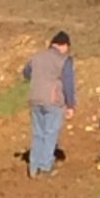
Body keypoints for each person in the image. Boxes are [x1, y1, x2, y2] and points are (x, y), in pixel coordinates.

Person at [22, 31, 76, 178]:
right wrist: (71, 105)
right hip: (52, 101)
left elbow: (26, 72)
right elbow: (68, 83)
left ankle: (33, 167)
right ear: (63, 45)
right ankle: (45, 167)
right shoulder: (64, 60)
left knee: (37, 133)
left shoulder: (36, 57)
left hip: (34, 99)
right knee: (50, 133)